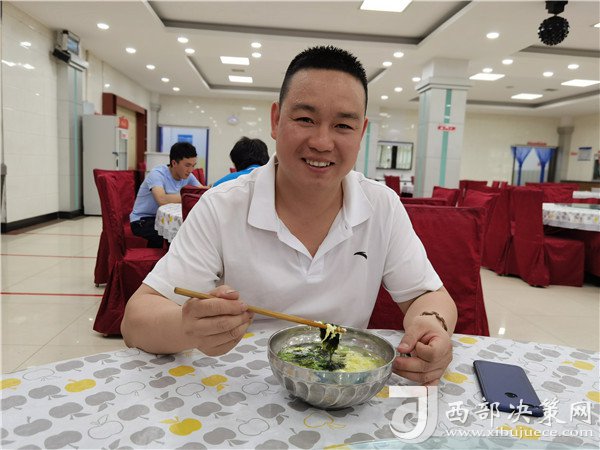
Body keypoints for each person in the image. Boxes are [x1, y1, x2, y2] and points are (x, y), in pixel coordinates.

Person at [122, 46, 457, 386]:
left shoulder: (382, 206)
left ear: (361, 132)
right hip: (245, 388)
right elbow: (135, 321)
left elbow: (428, 295)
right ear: (276, 120)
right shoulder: (222, 206)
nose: (322, 142)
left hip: (342, 387)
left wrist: (432, 324)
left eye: (343, 125)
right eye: (305, 119)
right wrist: (187, 327)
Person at [129, 142, 201, 248]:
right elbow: (162, 200)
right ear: (174, 163)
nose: (190, 170)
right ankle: (160, 258)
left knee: (191, 230)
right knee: (175, 234)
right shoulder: (157, 174)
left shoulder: (188, 176)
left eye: (193, 166)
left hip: (164, 219)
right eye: (187, 165)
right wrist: (187, 197)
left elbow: (200, 192)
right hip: (142, 220)